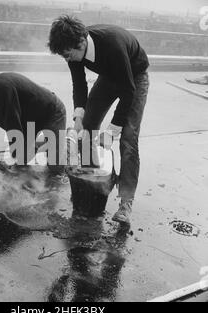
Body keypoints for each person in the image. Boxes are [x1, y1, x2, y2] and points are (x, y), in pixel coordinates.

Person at [48, 15, 150, 226]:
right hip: (108, 76)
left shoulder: (112, 45)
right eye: (64, 56)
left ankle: (125, 202)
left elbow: (128, 91)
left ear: (82, 43)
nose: (68, 59)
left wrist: (112, 132)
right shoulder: (72, 50)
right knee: (87, 128)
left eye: (68, 54)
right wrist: (78, 116)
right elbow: (79, 84)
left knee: (128, 139)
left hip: (135, 77)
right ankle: (92, 185)